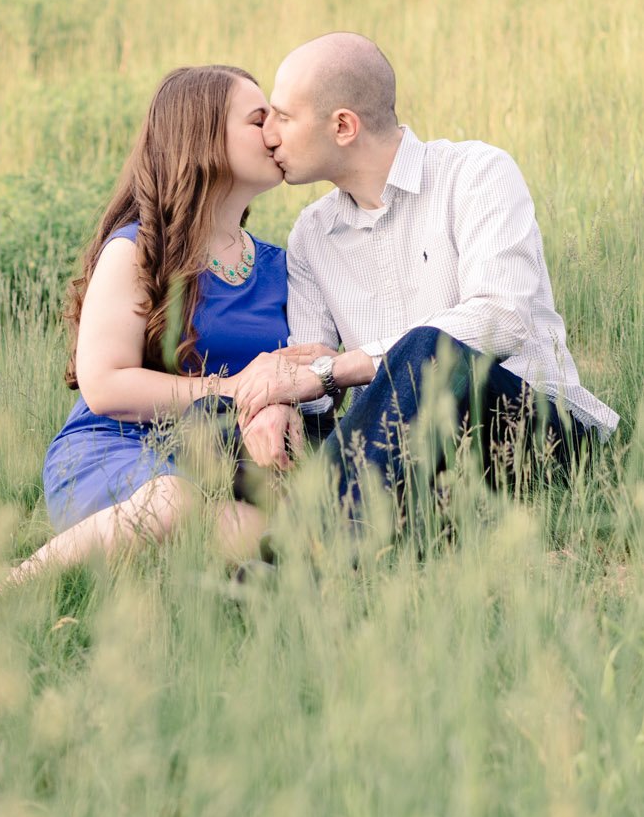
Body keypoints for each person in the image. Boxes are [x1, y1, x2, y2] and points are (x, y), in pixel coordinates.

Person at [0, 65, 319, 623]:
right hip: (119, 448)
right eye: (258, 119)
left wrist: (276, 398)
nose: (276, 132)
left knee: (278, 536)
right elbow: (105, 385)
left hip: (227, 463)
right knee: (171, 503)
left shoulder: (282, 266)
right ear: (201, 135)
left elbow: (301, 368)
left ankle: (175, 602)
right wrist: (234, 388)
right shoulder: (138, 252)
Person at [233, 31, 620, 512]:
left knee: (429, 347)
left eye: (284, 117)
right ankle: (292, 528)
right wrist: (280, 403)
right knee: (235, 416)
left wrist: (340, 368)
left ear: (343, 126)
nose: (270, 134)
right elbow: (308, 375)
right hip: (410, 443)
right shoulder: (312, 234)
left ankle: (310, 539)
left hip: (532, 432)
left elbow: (502, 320)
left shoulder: (477, 174)